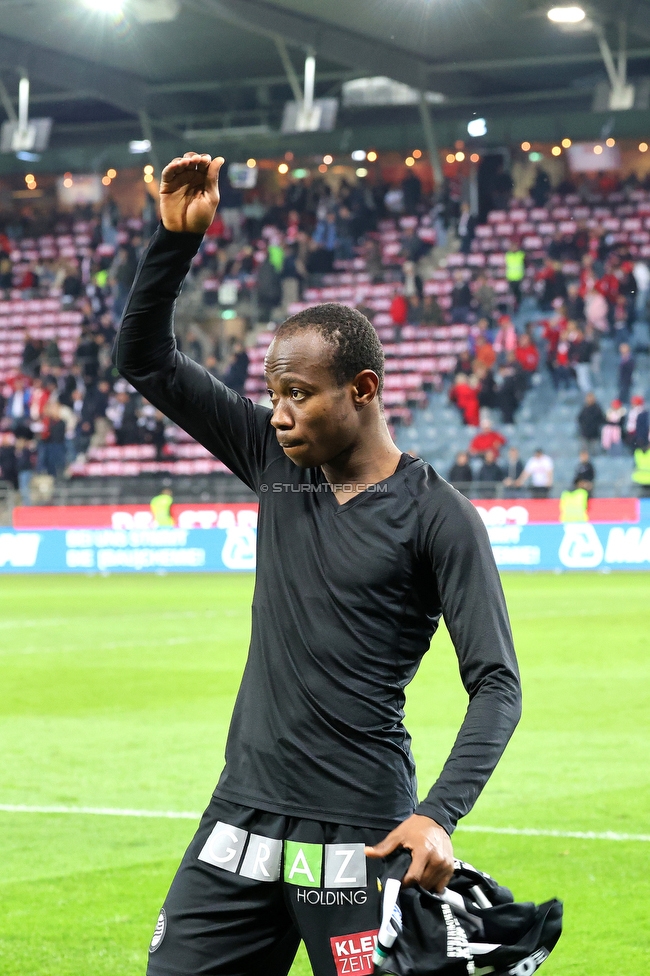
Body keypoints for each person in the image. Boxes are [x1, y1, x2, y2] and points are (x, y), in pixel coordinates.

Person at [113, 151, 521, 976]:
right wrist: (173, 245)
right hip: (242, 817)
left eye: (299, 392)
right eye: (273, 391)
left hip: (358, 833)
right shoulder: (273, 461)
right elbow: (145, 360)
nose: (280, 411)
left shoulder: (439, 517)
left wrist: (439, 815)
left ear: (362, 389)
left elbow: (497, 685)